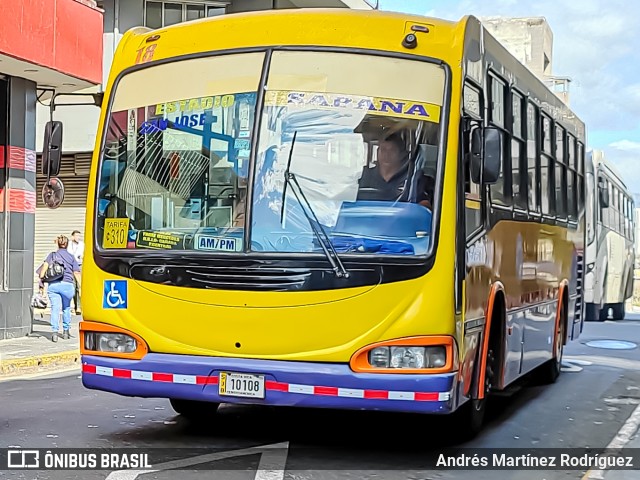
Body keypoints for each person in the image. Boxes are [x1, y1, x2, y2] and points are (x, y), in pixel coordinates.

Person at [41, 235, 81, 342]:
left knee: (55, 309)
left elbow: (44, 269)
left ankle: (54, 333)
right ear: (67, 244)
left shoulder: (52, 255)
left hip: (54, 285)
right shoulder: (71, 257)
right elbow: (76, 272)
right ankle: (66, 332)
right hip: (68, 286)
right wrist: (81, 287)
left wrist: (41, 280)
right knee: (66, 308)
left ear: (58, 244)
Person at [67, 230, 84, 314]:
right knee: (73, 286)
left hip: (79, 265)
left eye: (79, 236)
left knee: (79, 287)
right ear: (72, 236)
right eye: (76, 236)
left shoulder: (82, 244)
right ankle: (74, 305)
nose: (78, 237)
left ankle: (79, 307)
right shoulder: (69, 244)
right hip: (71, 266)